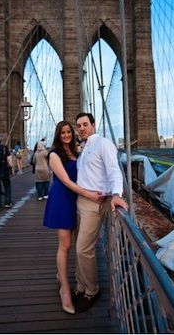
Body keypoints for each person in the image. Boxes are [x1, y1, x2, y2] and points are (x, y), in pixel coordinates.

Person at [43, 121, 104, 315]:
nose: (67, 135)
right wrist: (89, 194)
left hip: (77, 200)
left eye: (70, 131)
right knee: (66, 245)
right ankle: (65, 289)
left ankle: (68, 278)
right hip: (63, 200)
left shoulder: (77, 152)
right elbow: (67, 181)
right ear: (58, 135)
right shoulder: (53, 154)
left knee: (78, 243)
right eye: (63, 133)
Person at [72, 112, 128, 313]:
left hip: (97, 202)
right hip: (82, 201)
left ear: (93, 125)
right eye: (79, 125)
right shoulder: (84, 148)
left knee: (82, 249)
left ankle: (91, 290)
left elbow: (114, 170)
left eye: (85, 124)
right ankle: (81, 286)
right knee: (79, 247)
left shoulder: (103, 144)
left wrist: (116, 194)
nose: (82, 128)